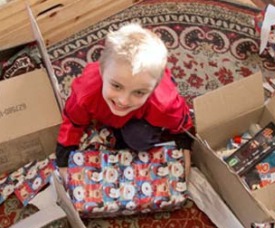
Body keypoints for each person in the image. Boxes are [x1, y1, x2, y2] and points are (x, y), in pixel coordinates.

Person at [56, 23, 193, 182]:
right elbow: (72, 119)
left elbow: (182, 125)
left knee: (138, 140)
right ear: (101, 71)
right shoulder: (85, 92)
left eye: (139, 92)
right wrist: (63, 158)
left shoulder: (164, 105)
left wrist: (185, 148)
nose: (123, 100)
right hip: (107, 104)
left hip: (143, 117)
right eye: (116, 86)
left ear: (154, 87)